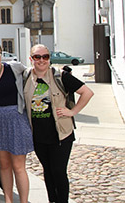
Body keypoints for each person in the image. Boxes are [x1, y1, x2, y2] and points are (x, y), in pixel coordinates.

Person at [25, 44, 93, 203]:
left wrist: (73, 111)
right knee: (47, 171)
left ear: (49, 59)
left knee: (59, 171)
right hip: (39, 135)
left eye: (45, 57)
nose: (41, 60)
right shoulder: (27, 77)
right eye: (37, 57)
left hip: (61, 133)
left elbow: (87, 92)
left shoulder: (60, 77)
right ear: (31, 59)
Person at [0, 42, 32, 203]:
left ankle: (23, 201)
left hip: (16, 118)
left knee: (18, 166)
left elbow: (32, 73)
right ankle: (8, 200)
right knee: (3, 165)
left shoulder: (13, 68)